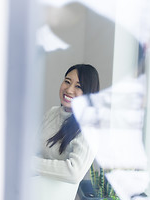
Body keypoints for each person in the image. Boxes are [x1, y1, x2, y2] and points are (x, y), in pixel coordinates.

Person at [32, 64, 100, 200]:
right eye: (67, 82)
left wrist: (31, 163)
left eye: (78, 86)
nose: (69, 90)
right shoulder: (52, 113)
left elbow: (74, 172)